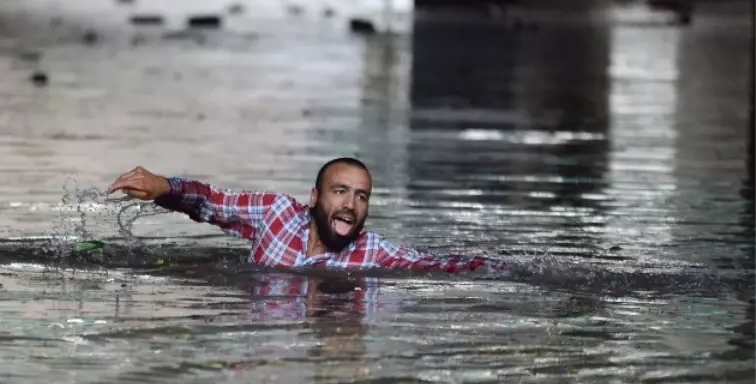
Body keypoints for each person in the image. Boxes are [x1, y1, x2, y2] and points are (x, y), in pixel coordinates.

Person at [106, 158, 505, 272]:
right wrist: (165, 187)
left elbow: (437, 265)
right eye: (340, 191)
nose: (351, 204)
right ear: (314, 198)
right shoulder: (276, 214)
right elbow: (210, 201)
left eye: (362, 196)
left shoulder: (371, 253)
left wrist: (508, 269)